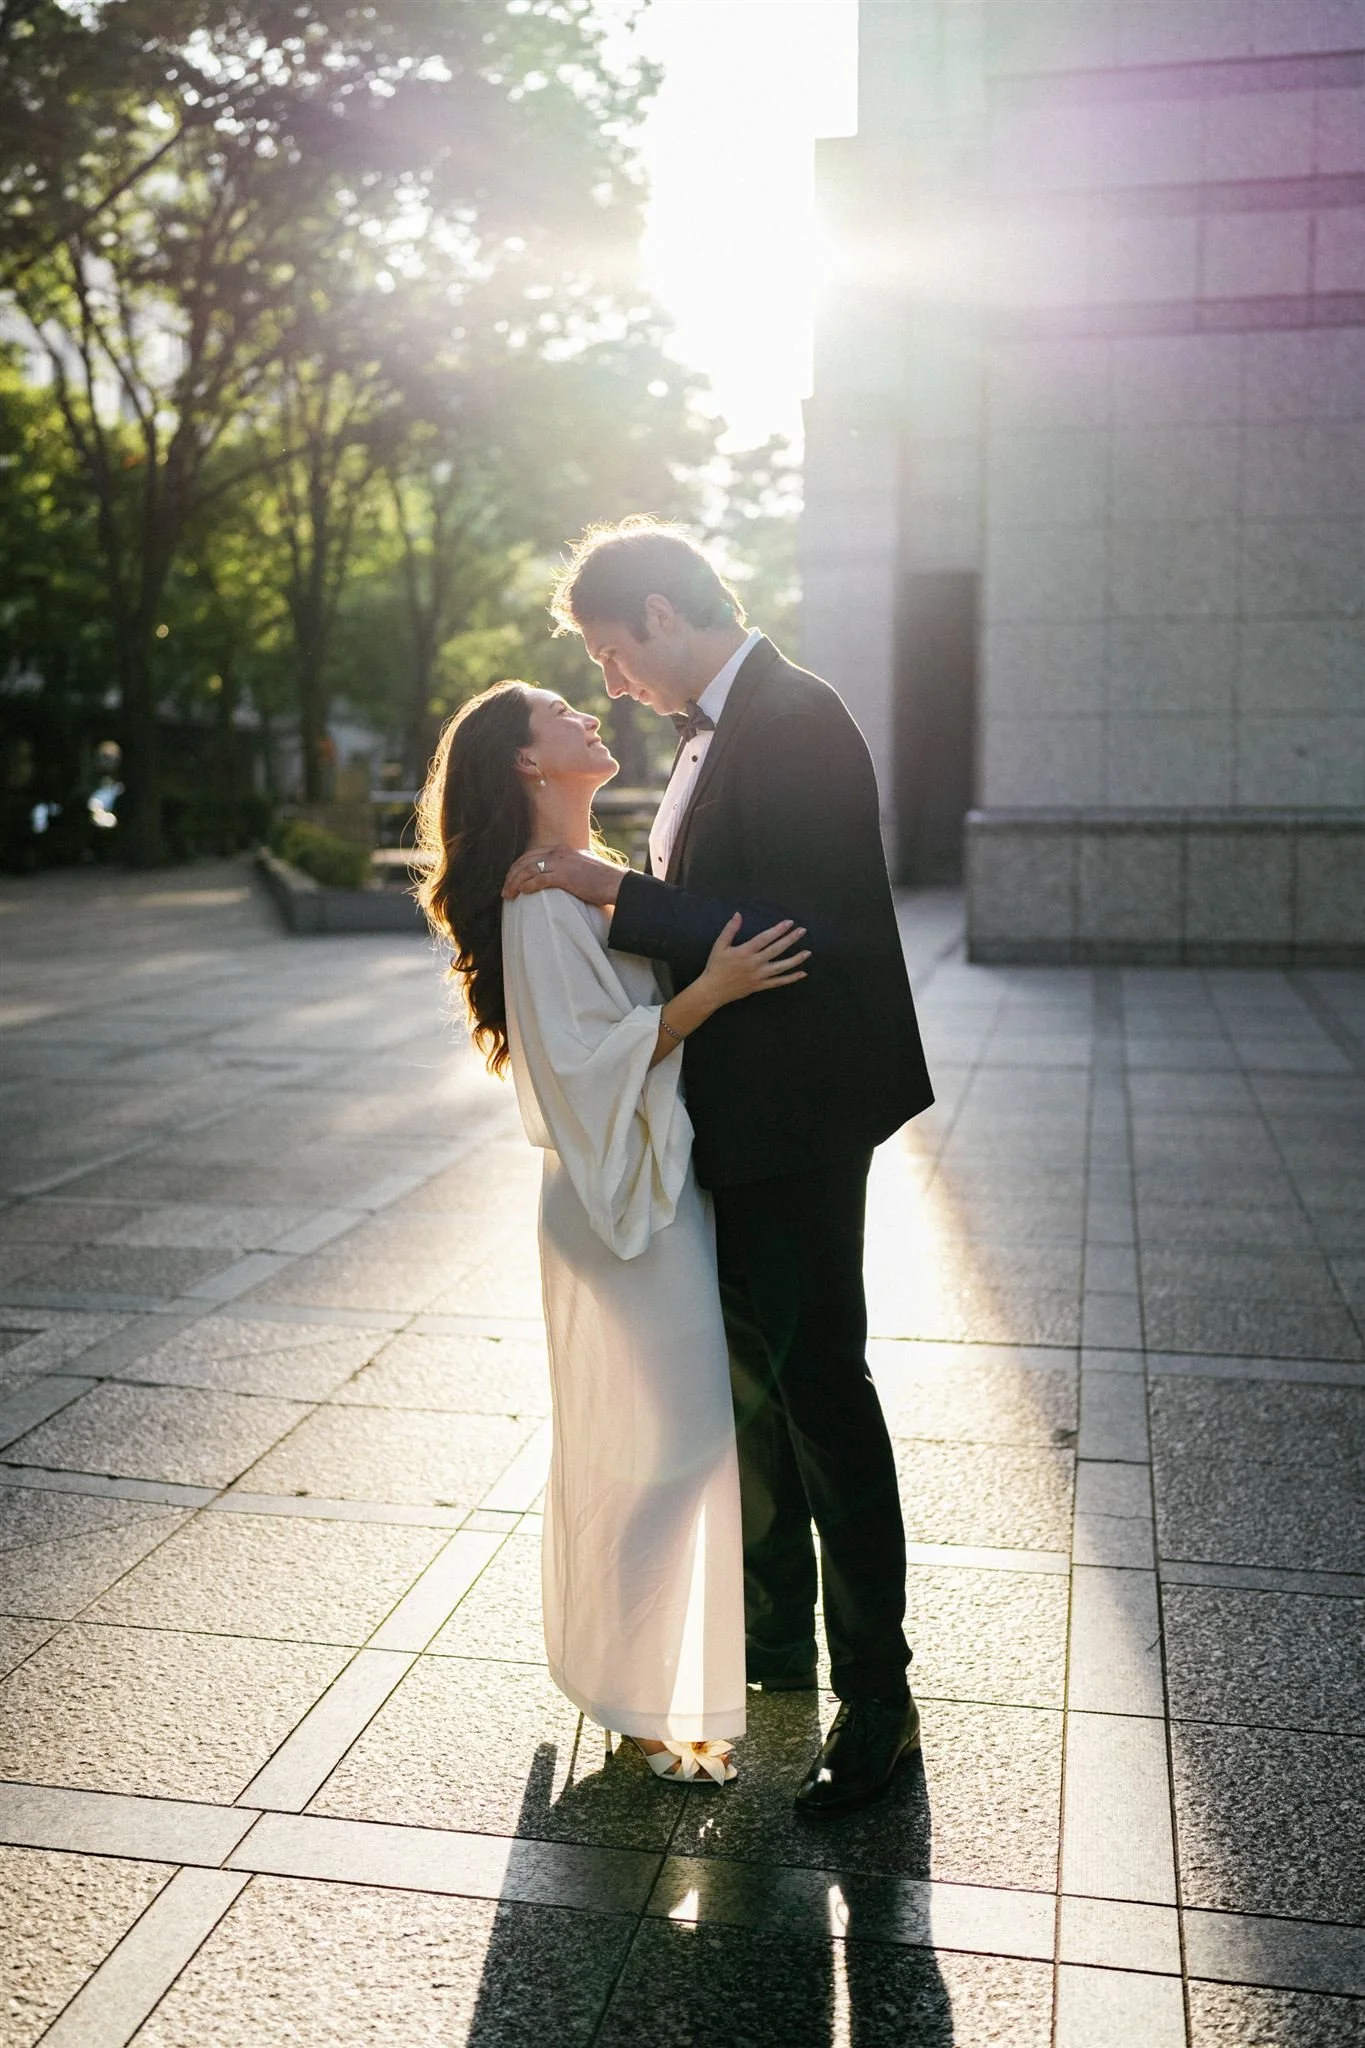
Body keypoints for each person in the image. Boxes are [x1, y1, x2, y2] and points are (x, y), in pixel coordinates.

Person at [503, 518, 935, 1817]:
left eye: (610, 649)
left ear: (660, 613)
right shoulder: (714, 733)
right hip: (736, 1116)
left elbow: (794, 929)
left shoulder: (795, 716)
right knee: (757, 1395)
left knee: (820, 1393)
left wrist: (605, 889)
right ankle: (775, 1643)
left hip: (800, 1111)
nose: (612, 678)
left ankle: (881, 1702)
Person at [415, 680, 809, 1784]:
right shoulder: (537, 900)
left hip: (647, 1184)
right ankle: (632, 1693)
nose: (587, 714)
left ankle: (630, 1683)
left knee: (670, 1441)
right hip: (614, 1198)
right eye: (557, 712)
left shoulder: (586, 879)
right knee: (672, 1441)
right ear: (525, 764)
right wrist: (712, 990)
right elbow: (582, 1069)